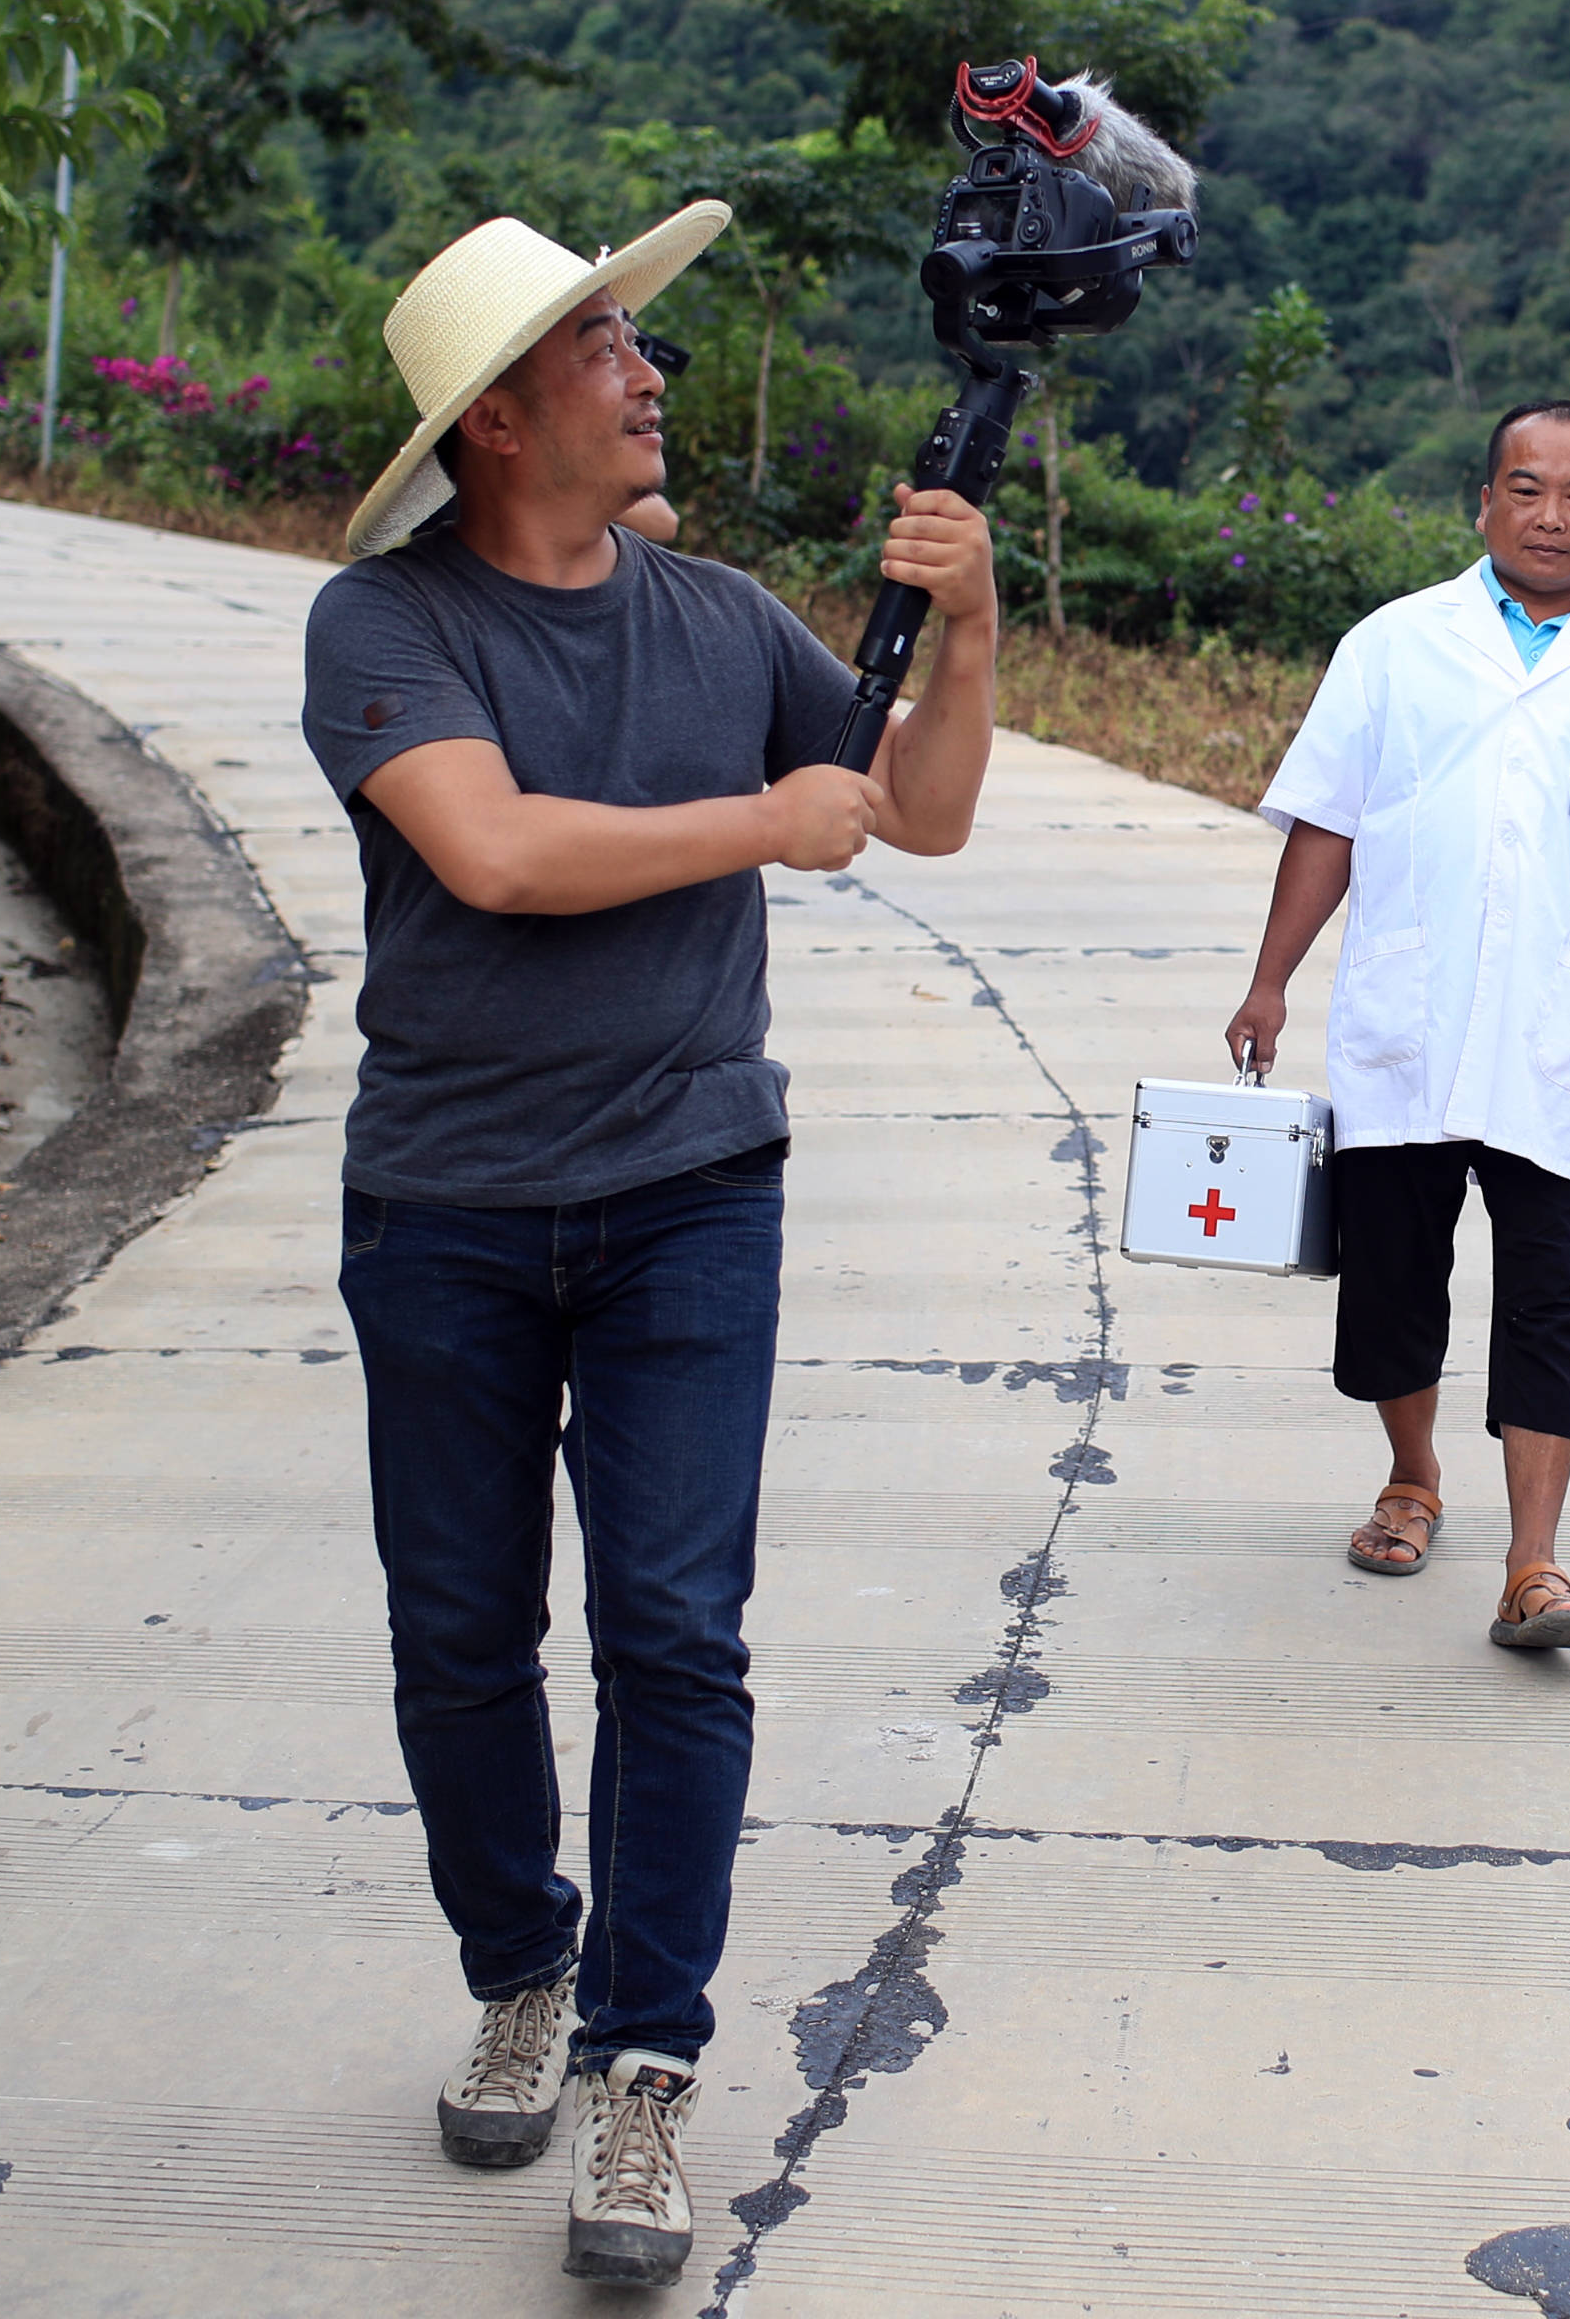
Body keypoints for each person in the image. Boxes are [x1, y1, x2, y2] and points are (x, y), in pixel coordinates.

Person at [300, 209, 999, 2287]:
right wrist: (760, 826)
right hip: (447, 1199)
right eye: (603, 341)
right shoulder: (383, 626)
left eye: (634, 332)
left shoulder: (719, 618)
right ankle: (521, 1962)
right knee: (459, 1630)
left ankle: (642, 2066)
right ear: (497, 418)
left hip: (692, 1187)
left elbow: (919, 811)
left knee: (678, 1632)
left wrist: (964, 635)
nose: (647, 364)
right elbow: (497, 850)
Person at [1225, 400, 1570, 1649]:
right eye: (1526, 488)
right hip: (1404, 1030)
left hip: (1556, 1042)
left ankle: (1536, 1565)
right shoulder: (1394, 644)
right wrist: (1272, 980)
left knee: (1545, 1297)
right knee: (1391, 1291)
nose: (1551, 513)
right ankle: (1413, 1475)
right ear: (1484, 503)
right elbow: (1328, 820)